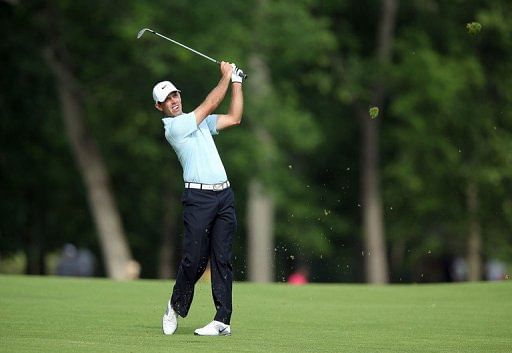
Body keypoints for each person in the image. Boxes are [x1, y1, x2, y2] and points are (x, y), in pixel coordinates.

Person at [154, 61, 244, 336]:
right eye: (167, 100)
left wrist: (237, 83)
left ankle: (222, 320)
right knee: (194, 260)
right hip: (198, 198)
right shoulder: (174, 127)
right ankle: (175, 306)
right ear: (160, 107)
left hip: (224, 195)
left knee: (222, 259)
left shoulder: (200, 122)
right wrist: (226, 76)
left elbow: (234, 117)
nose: (173, 101)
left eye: (175, 95)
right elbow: (213, 102)